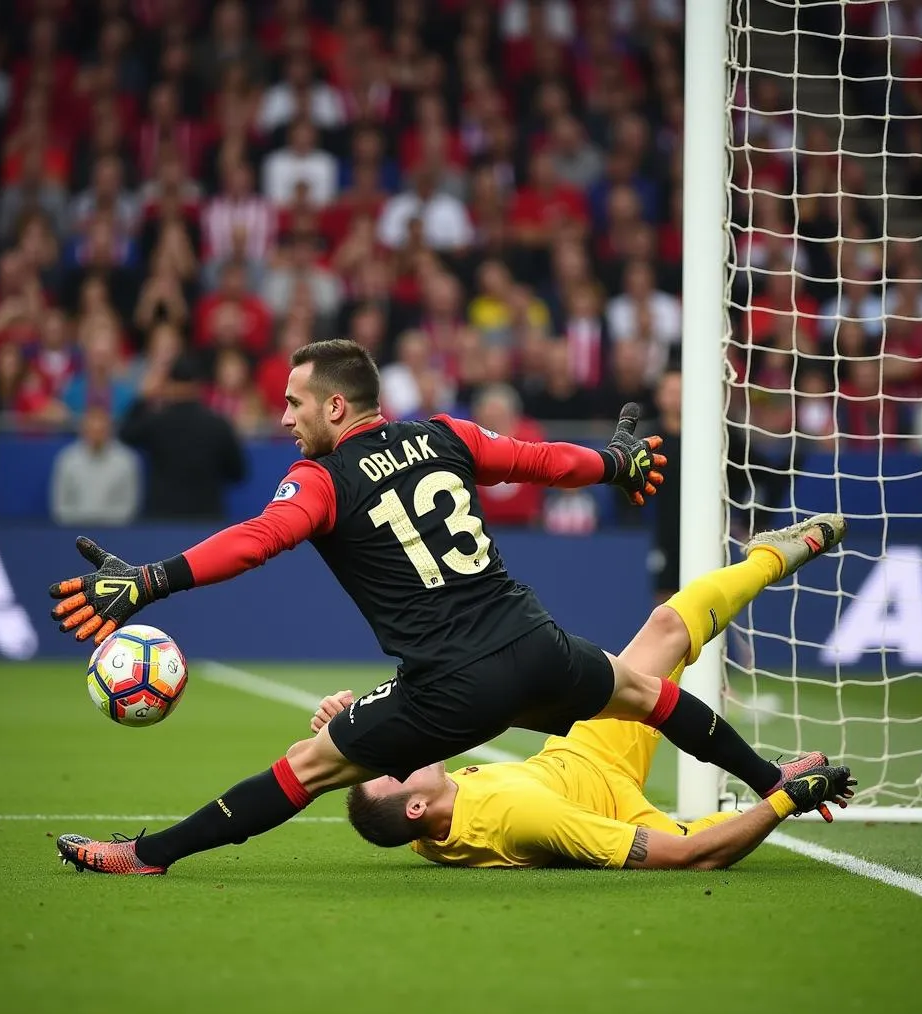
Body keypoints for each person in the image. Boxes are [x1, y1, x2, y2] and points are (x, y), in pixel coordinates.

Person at [50, 339, 847, 875]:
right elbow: (537, 461)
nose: (285, 418)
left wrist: (151, 581)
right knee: (646, 692)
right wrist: (613, 463)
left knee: (307, 767)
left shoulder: (322, 480)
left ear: (337, 409)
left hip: (451, 685)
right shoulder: (444, 434)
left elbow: (259, 540)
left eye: (295, 403)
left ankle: (146, 854)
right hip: (534, 642)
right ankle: (768, 773)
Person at [317, 544, 855, 869]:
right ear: (415, 806)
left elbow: (382, 752)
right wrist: (783, 804)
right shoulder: (520, 819)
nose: (396, 754)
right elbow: (690, 859)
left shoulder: (423, 825)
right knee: (693, 842)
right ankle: (780, 786)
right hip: (612, 809)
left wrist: (340, 726)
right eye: (392, 769)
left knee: (665, 625)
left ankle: (772, 556)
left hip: (584, 744)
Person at [118, 354, 246, 520]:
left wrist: (142, 397)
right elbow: (238, 473)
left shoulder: (156, 421)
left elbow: (125, 434)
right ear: (199, 386)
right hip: (207, 522)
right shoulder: (218, 425)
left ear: (170, 384)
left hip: (162, 522)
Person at [50, 407, 140, 526]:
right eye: (92, 431)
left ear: (109, 431)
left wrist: (101, 522)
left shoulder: (126, 460)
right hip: (75, 530)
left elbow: (129, 507)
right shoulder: (68, 460)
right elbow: (60, 506)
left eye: (101, 431)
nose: (96, 436)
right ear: (83, 431)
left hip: (115, 531)